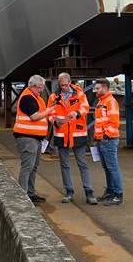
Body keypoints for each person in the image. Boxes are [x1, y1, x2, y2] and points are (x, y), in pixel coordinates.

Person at [47, 73, 97, 205]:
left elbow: (85, 107)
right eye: (61, 85)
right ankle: (69, 192)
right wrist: (55, 121)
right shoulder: (54, 97)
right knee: (64, 165)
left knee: (82, 163)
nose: (64, 87)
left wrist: (77, 113)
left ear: (70, 82)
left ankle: (89, 192)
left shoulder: (79, 94)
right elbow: (50, 113)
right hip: (61, 134)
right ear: (59, 83)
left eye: (66, 84)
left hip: (77, 134)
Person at [13, 75, 56, 204]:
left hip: (35, 139)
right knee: (28, 166)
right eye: (39, 87)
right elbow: (35, 116)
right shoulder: (27, 98)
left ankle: (30, 193)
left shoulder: (36, 98)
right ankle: (23, 196)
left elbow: (41, 116)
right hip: (27, 138)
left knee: (34, 166)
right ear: (32, 86)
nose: (41, 90)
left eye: (42, 87)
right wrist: (49, 110)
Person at [93, 78, 123, 205]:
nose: (96, 90)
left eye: (98, 88)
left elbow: (114, 122)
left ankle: (118, 195)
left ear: (105, 88)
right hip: (102, 140)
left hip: (108, 140)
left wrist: (106, 136)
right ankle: (110, 192)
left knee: (112, 168)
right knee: (107, 168)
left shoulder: (110, 102)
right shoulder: (102, 102)